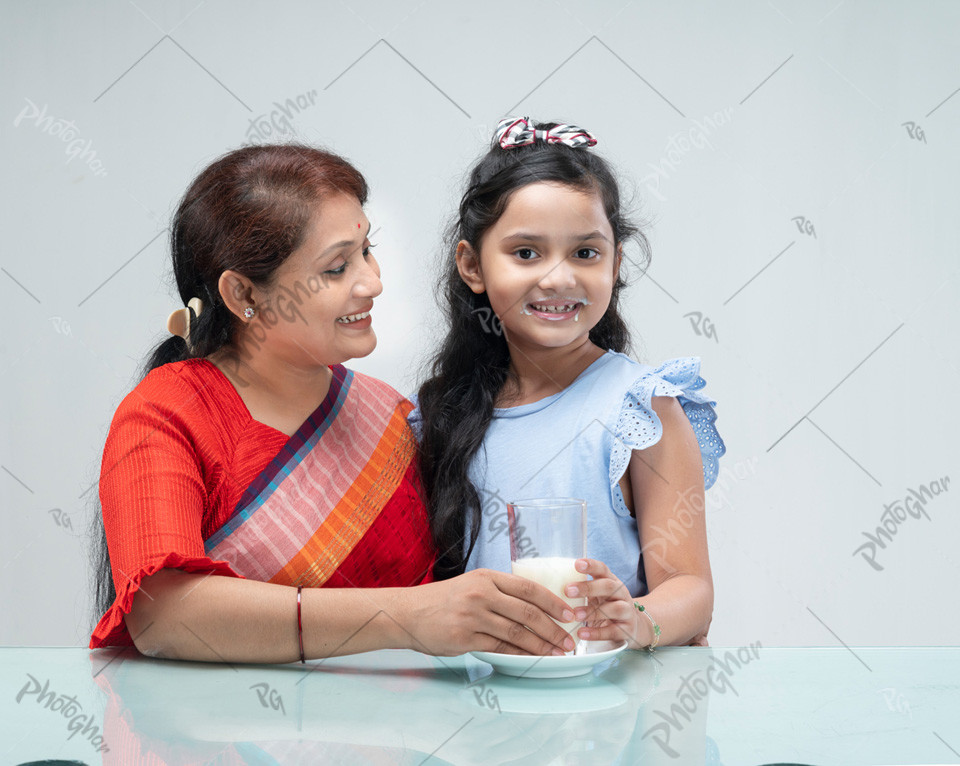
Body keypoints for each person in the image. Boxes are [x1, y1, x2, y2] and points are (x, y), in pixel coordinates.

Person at [90, 143, 578, 663]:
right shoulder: (166, 415)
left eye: (366, 251)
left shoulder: (389, 417)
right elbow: (164, 616)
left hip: (409, 731)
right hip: (234, 736)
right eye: (336, 267)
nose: (373, 282)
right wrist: (404, 617)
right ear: (243, 296)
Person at [413, 118, 727, 650]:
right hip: (480, 711)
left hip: (606, 709)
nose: (558, 279)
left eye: (585, 253)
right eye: (526, 253)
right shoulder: (440, 417)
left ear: (616, 263)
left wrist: (635, 620)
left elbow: (690, 587)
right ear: (472, 265)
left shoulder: (639, 410)